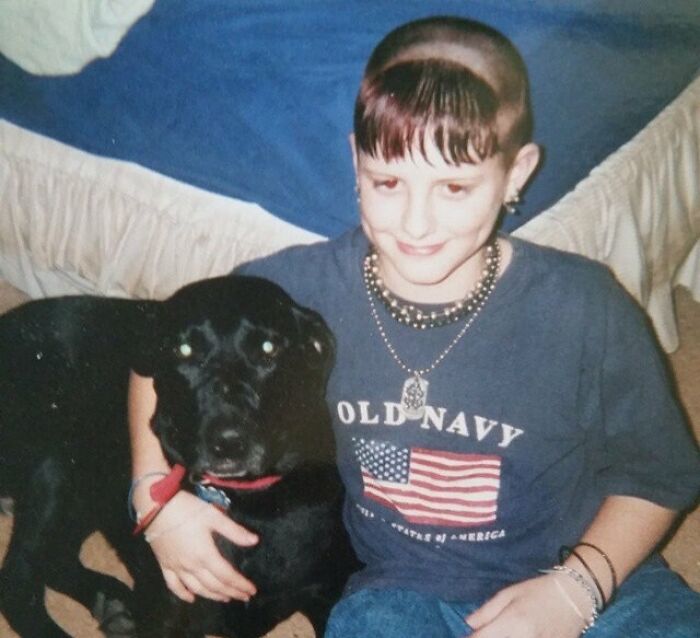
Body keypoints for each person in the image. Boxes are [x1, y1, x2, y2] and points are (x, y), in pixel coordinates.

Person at [128, 15, 700, 637]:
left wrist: (577, 589)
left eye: (455, 186)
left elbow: (660, 475)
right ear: (356, 160)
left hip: (588, 577)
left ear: (516, 173)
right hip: (404, 593)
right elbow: (155, 347)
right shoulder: (296, 290)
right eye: (388, 182)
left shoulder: (585, 306)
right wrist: (153, 496)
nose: (417, 223)